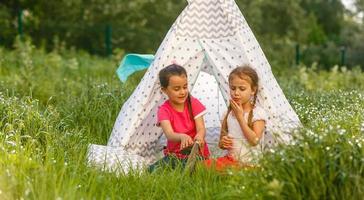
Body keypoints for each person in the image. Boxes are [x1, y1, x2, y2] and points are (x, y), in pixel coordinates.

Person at [148, 64, 210, 172]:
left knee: (193, 168)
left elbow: (201, 128)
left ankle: (191, 169)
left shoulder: (193, 103)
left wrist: (200, 136)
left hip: (197, 154)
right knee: (152, 170)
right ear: (164, 90)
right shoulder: (164, 110)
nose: (182, 92)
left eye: (185, 87)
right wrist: (182, 136)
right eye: (177, 89)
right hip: (174, 155)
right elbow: (169, 134)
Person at [205, 65, 267, 170]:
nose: (236, 93)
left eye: (242, 89)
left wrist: (240, 117)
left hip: (251, 164)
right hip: (231, 161)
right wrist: (223, 143)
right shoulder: (227, 114)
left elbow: (254, 141)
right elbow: (221, 143)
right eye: (233, 88)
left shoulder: (257, 113)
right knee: (202, 166)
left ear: (253, 90)